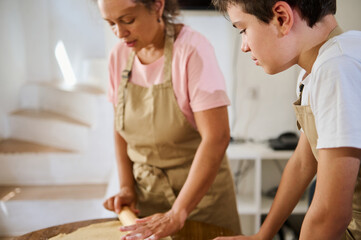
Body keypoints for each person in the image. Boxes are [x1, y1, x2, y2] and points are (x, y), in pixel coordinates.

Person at [212, 0, 361, 239]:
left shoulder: (336, 69)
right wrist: (262, 236)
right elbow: (303, 162)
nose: (244, 46)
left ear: (281, 18)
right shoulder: (318, 68)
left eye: (243, 30)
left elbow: (331, 213)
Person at [96, 0, 242, 239]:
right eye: (111, 23)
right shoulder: (118, 56)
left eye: (127, 20)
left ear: (157, 6)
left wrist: (177, 212)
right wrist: (126, 187)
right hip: (147, 200)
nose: (119, 33)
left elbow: (217, 137)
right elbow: (120, 130)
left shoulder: (191, 50)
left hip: (201, 203)